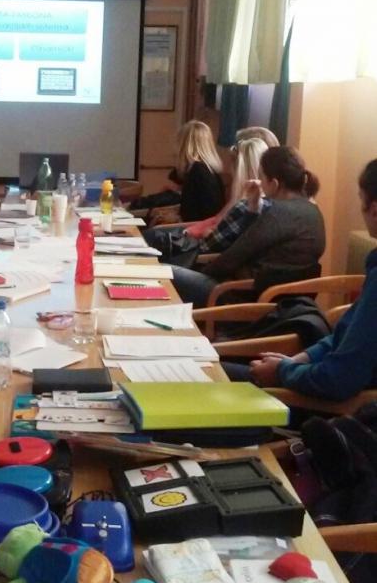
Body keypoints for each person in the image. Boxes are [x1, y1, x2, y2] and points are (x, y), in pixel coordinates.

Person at [244, 159, 377, 401]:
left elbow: (339, 379)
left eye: (360, 199)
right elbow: (345, 337)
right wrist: (298, 360)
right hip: (315, 377)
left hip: (332, 406)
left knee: (212, 378)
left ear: (375, 209)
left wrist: (283, 372)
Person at [172, 146, 325, 308]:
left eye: (262, 177)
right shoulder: (313, 211)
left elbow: (232, 257)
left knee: (165, 274)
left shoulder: (276, 212)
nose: (260, 182)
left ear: (274, 184)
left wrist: (199, 273)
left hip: (240, 297)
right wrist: (252, 210)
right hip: (280, 302)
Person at [146, 136, 271, 262]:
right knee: (151, 237)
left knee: (150, 238)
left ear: (240, 168)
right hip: (195, 248)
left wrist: (200, 232)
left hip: (197, 258)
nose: (230, 171)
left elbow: (212, 242)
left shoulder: (244, 206)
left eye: (233, 165)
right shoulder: (254, 204)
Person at [133, 120, 225, 222]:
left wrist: (174, 218)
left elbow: (192, 216)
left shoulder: (197, 171)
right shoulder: (209, 169)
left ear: (183, 144)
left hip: (192, 228)